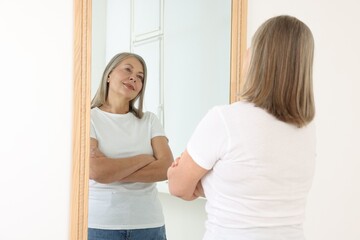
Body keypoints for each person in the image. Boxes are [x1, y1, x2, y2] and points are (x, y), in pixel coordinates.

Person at [167, 15, 316, 240]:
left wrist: (203, 182)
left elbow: (178, 186)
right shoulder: (306, 130)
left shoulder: (225, 120)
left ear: (258, 58)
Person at [88, 52, 173, 240]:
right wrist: (145, 160)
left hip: (149, 225)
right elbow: (96, 170)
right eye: (127, 69)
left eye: (140, 77)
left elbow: (166, 168)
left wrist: (112, 171)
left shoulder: (149, 120)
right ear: (109, 75)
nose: (134, 77)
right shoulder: (89, 118)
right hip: (100, 225)